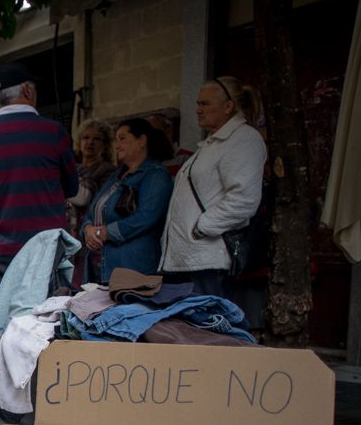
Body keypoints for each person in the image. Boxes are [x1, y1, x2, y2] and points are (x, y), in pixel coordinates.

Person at [0, 63, 79, 294]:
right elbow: (71, 187)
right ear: (28, 91)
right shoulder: (53, 132)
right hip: (45, 250)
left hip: (1, 251)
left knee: (3, 324)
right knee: (47, 323)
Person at [159, 76, 267, 297]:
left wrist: (202, 227)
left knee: (207, 327)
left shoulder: (243, 139)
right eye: (198, 103)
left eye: (205, 103)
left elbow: (243, 200)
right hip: (189, 260)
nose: (198, 109)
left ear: (228, 106)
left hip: (209, 259)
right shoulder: (212, 143)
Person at [80, 118, 174, 283]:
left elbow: (147, 217)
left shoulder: (155, 175)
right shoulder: (116, 176)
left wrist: (106, 232)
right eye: (116, 140)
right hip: (102, 267)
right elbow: (92, 210)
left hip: (133, 267)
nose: (117, 146)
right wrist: (87, 229)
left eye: (122, 138)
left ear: (141, 141)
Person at [65, 119, 117, 238]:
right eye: (86, 137)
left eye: (96, 139)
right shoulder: (72, 167)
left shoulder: (109, 171)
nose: (90, 142)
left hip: (92, 229)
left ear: (105, 145)